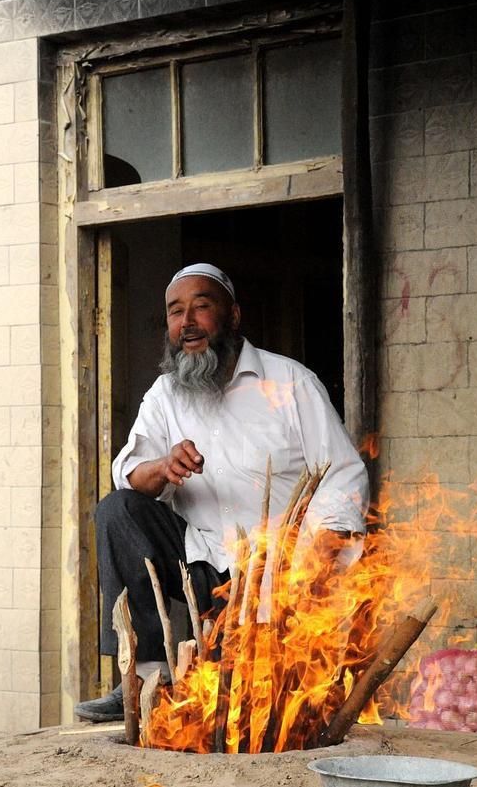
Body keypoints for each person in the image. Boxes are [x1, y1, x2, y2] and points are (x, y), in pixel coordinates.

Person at [74, 263, 369, 722]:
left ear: (232, 316)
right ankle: (148, 675)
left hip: (281, 570)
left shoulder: (291, 383)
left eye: (200, 306)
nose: (186, 321)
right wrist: (162, 466)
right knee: (118, 511)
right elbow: (130, 473)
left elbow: (344, 474)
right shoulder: (165, 394)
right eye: (175, 311)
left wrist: (320, 558)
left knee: (260, 707)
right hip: (201, 562)